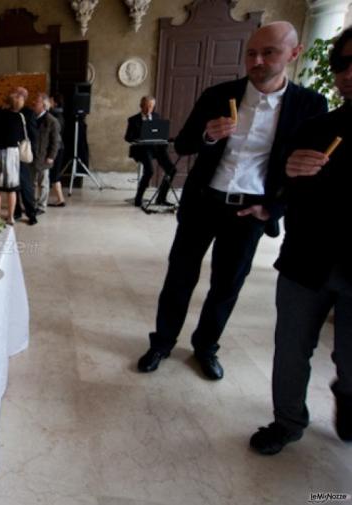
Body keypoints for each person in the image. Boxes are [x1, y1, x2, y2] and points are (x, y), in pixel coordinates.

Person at [136, 21, 328, 380]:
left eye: (268, 52)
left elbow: (307, 170)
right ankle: (162, 341)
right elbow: (183, 144)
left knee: (227, 285)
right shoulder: (218, 94)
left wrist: (272, 208)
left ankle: (206, 347)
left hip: (249, 210)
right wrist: (208, 135)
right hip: (203, 201)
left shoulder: (310, 105)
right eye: (251, 53)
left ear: (294, 52)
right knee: (179, 276)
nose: (256, 61)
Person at [250, 26, 352, 455]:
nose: (346, 74)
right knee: (291, 350)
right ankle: (287, 420)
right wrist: (291, 174)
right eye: (340, 65)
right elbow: (284, 190)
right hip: (305, 260)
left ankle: (347, 396)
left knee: (350, 359)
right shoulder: (318, 126)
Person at [124, 96, 177, 207]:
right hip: (142, 149)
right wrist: (139, 139)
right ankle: (138, 199)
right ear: (141, 106)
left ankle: (161, 198)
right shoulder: (133, 120)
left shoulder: (156, 116)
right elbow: (128, 137)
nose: (149, 110)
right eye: (146, 107)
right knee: (149, 171)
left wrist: (167, 139)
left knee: (172, 170)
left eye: (151, 107)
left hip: (157, 148)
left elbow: (159, 134)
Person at [0, 92, 27, 224]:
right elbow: (21, 137)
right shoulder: (20, 117)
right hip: (12, 154)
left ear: (7, 102)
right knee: (12, 189)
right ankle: (11, 217)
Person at [11, 87, 39, 225]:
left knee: (25, 185)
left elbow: (33, 135)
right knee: (13, 184)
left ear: (21, 97)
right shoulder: (9, 110)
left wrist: (32, 152)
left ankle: (31, 213)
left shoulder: (28, 113)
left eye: (15, 94)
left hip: (22, 154)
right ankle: (16, 212)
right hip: (10, 152)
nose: (13, 96)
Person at [31, 93, 62, 214]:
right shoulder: (32, 118)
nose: (33, 103)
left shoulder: (52, 121)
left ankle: (42, 206)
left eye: (36, 102)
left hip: (44, 157)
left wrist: (51, 156)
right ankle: (32, 204)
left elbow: (56, 141)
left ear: (43, 105)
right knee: (32, 183)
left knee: (43, 183)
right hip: (32, 156)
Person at [48, 93, 67, 207]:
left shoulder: (55, 116)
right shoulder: (59, 114)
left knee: (55, 175)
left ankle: (60, 199)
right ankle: (60, 199)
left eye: (50, 100)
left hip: (57, 148)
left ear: (55, 103)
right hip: (59, 147)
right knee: (55, 175)